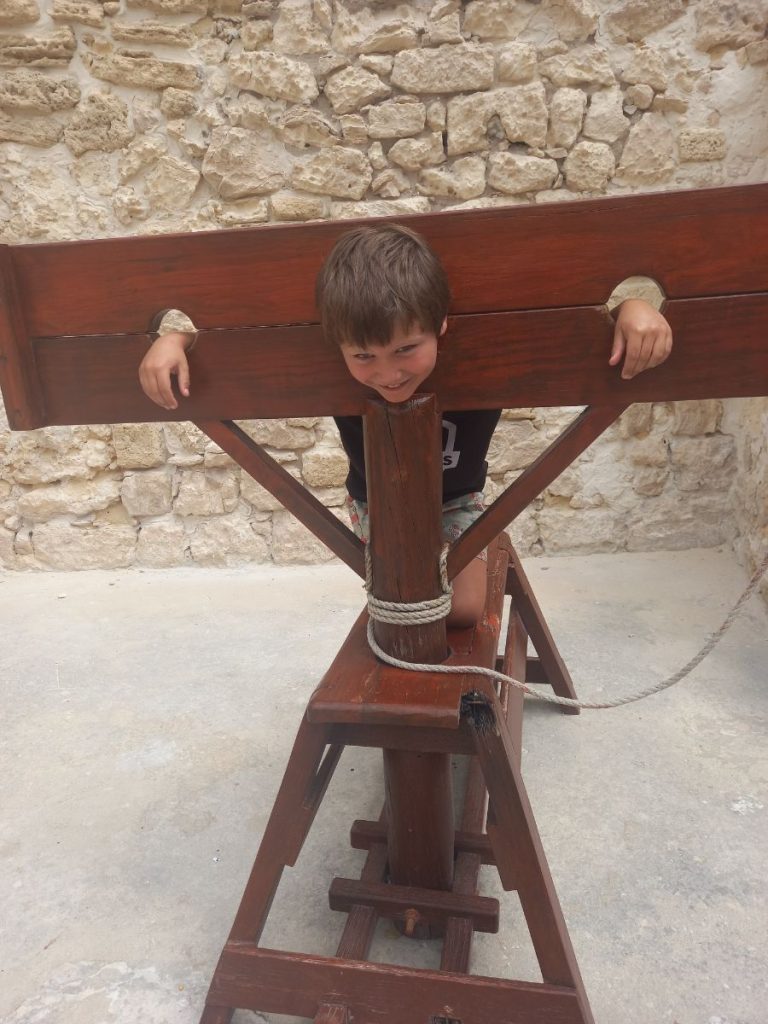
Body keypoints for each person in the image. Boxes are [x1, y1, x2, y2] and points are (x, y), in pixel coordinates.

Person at [138, 223, 673, 628]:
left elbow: (600, 309)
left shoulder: (466, 347)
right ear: (337, 347)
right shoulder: (344, 361)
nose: (388, 373)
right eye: (363, 356)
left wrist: (630, 305)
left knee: (463, 608)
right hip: (376, 503)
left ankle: (473, 550)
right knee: (406, 598)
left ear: (442, 324)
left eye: (407, 349)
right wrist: (175, 338)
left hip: (457, 501)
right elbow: (201, 333)